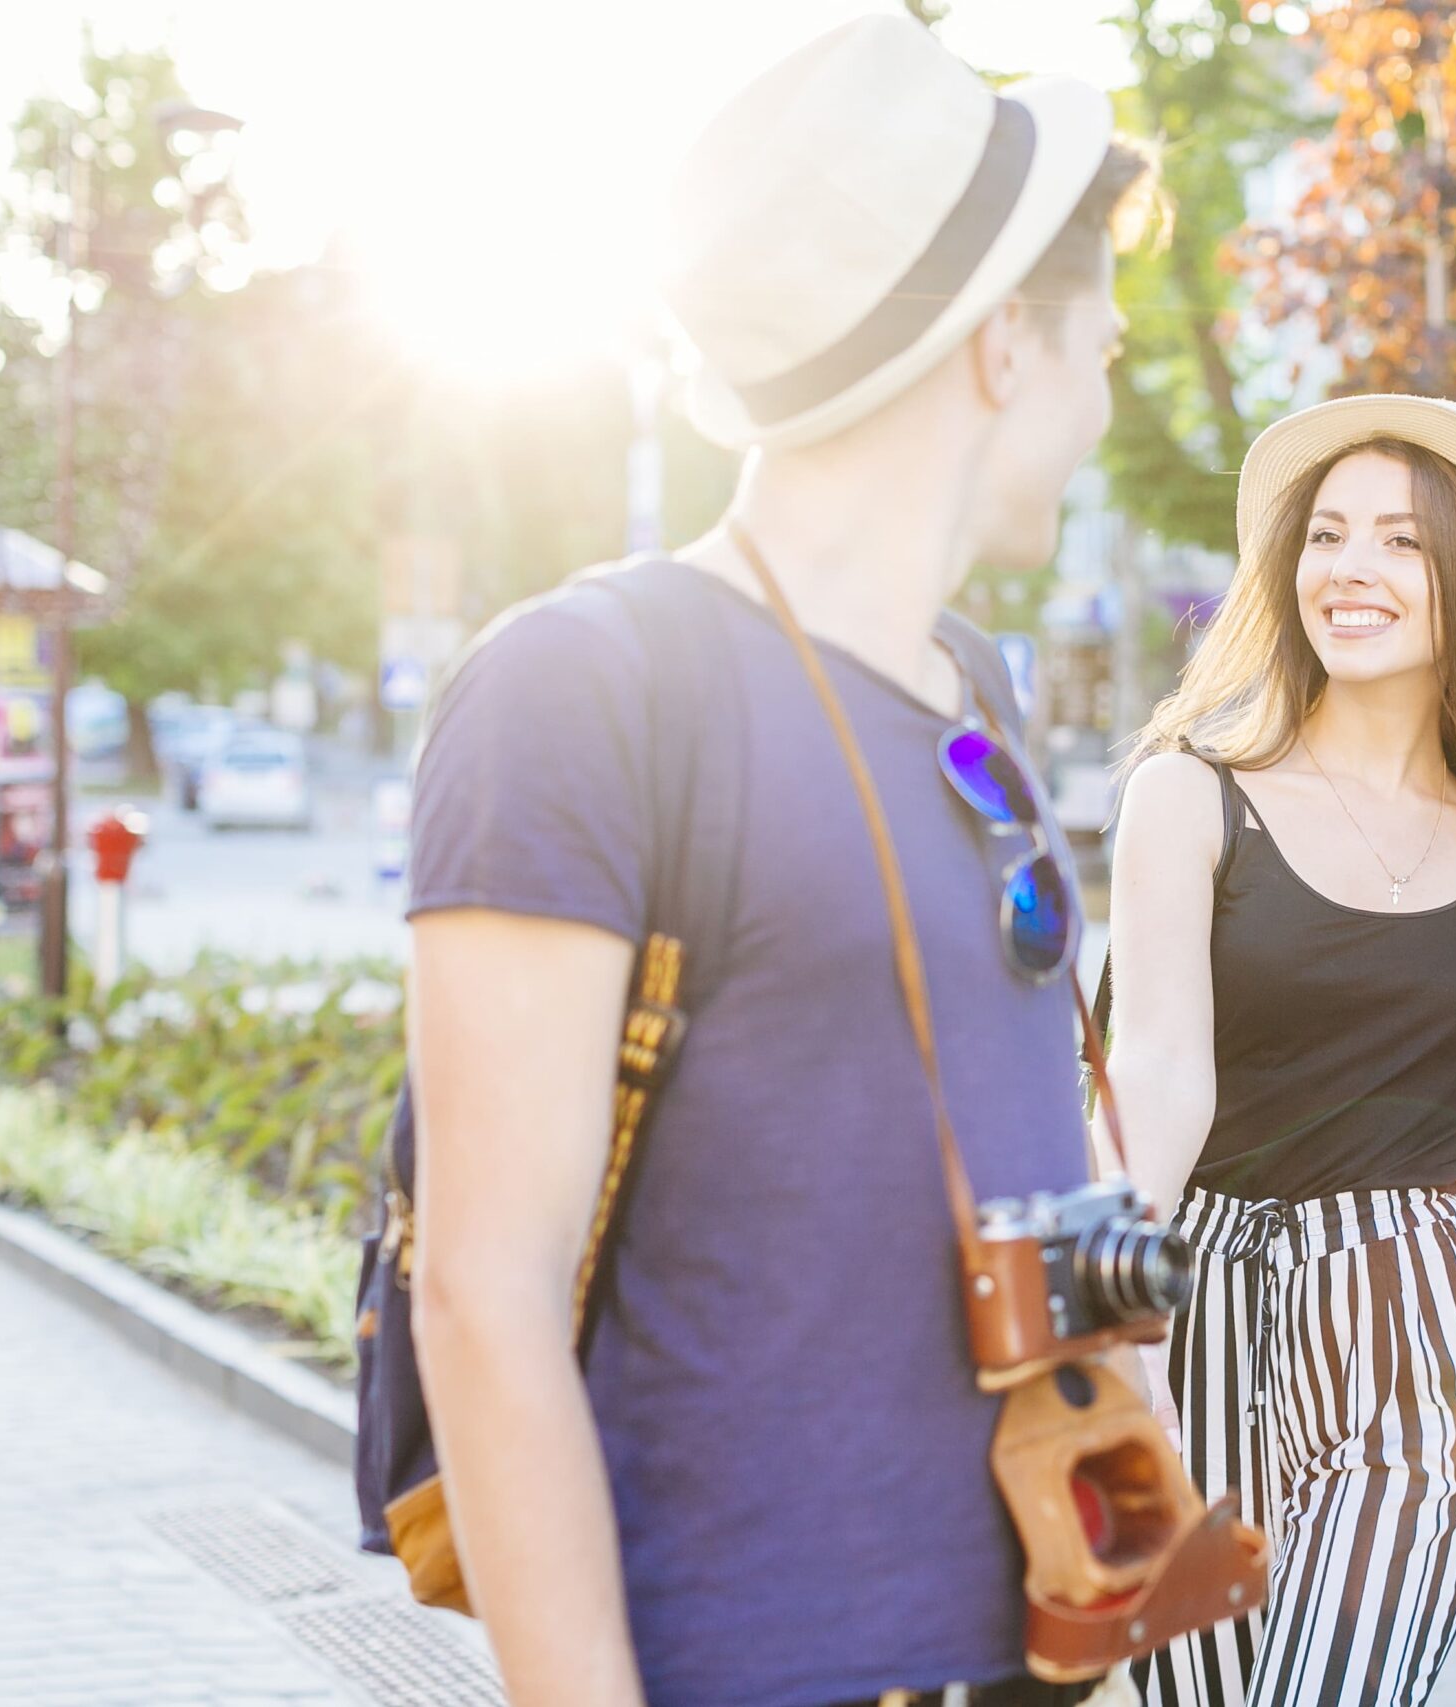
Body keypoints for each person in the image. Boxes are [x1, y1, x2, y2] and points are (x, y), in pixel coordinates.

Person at [397, 17, 1163, 1707]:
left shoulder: (978, 687)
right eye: (1103, 346)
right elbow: (482, 1290)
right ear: (999, 352)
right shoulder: (581, 687)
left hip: (1022, 1654)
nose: (1111, 392)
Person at [1105, 396, 1456, 1704]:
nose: (1350, 568)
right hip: (1199, 1303)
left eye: (1403, 542)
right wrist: (1104, 1320)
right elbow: (1156, 1075)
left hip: (1407, 1305)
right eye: (1328, 536)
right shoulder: (1188, 797)